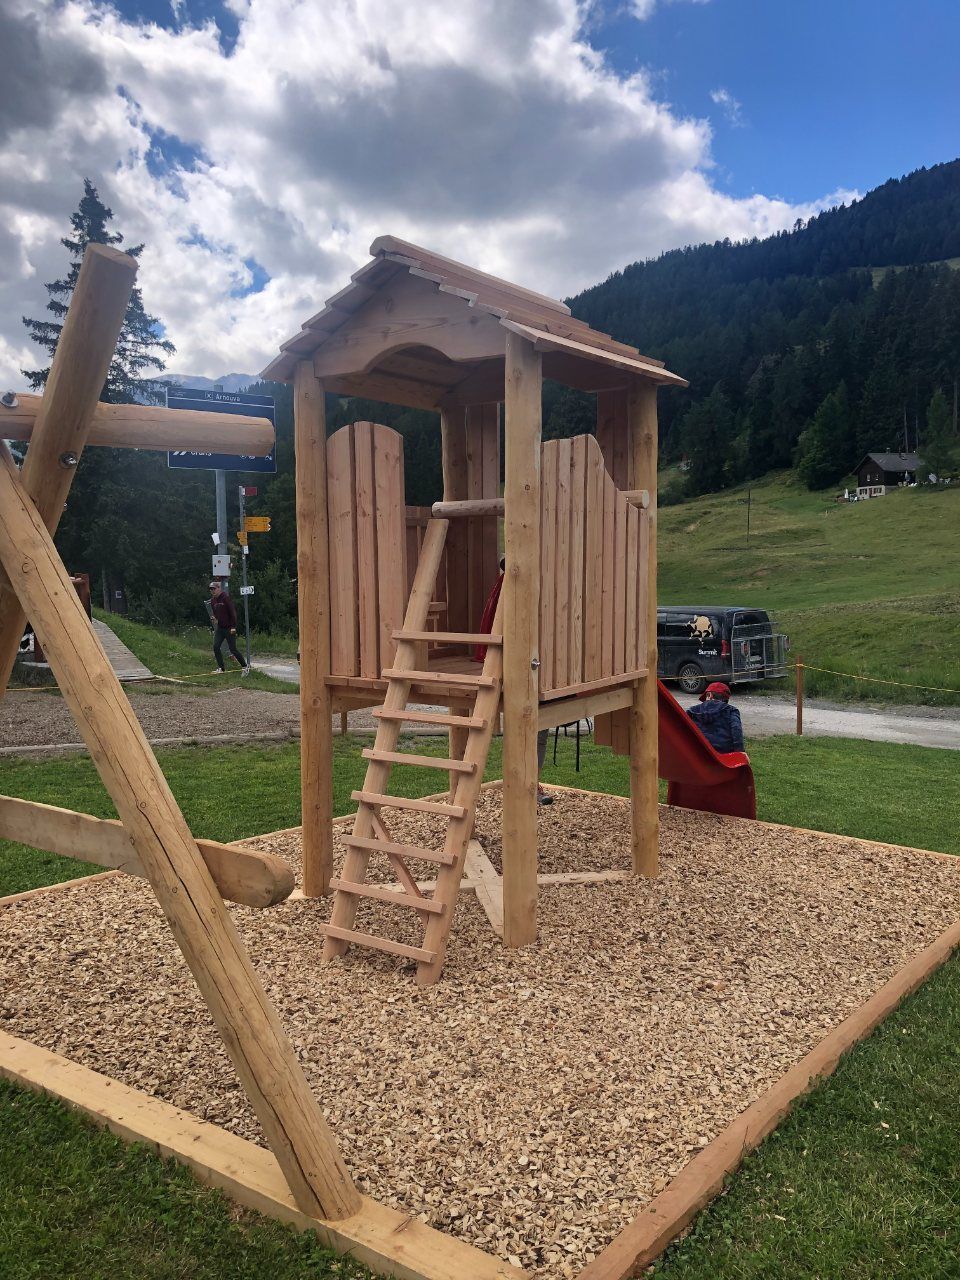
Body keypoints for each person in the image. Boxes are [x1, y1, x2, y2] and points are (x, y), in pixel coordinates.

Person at [686, 682, 744, 753]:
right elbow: (736, 731)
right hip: (724, 752)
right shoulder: (731, 710)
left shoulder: (692, 711)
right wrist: (740, 752)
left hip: (697, 751)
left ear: (709, 695)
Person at [208, 580, 248, 675]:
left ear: (219, 589)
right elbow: (216, 613)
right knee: (216, 646)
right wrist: (214, 618)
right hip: (220, 628)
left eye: (214, 589)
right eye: (211, 589)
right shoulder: (213, 601)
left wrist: (233, 626)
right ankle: (221, 668)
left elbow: (232, 612)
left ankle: (245, 667)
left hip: (229, 628)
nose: (212, 591)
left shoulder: (225, 598)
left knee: (233, 649)